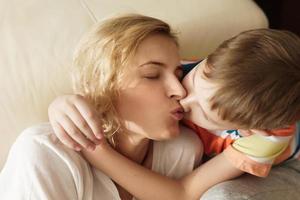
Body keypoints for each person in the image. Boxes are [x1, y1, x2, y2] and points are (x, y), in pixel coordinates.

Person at [49, 28, 300, 199]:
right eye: (193, 79)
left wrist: (97, 151)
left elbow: (183, 193)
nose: (182, 94)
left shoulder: (265, 137)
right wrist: (62, 104)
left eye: (204, 111)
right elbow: (112, 86)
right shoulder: (189, 71)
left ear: (247, 128)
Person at [0, 14, 203, 199]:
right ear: (103, 83)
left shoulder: (183, 151)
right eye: (152, 75)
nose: (180, 90)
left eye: (179, 75)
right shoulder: (47, 152)